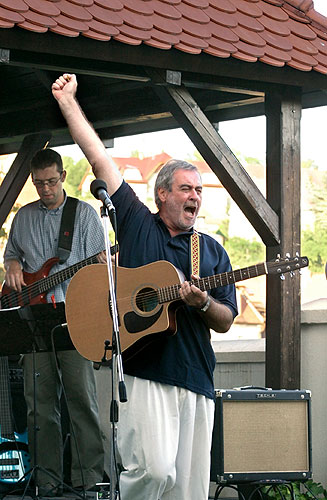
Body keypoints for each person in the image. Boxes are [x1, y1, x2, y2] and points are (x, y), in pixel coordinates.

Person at [52, 73, 238, 500]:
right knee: (153, 473)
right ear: (162, 195)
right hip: (146, 373)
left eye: (199, 190)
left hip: (197, 379)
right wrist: (67, 102)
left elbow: (226, 318)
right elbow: (99, 159)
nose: (195, 196)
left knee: (189, 490)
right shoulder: (138, 225)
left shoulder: (210, 252)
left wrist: (203, 300)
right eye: (186, 188)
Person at [3, 148, 106, 497]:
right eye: (38, 184)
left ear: (62, 176)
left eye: (50, 182)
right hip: (34, 320)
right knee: (38, 404)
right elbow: (12, 253)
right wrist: (13, 265)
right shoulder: (23, 218)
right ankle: (46, 480)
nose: (45, 189)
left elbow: (99, 268)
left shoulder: (86, 215)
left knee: (82, 400)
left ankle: (90, 479)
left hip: (74, 316)